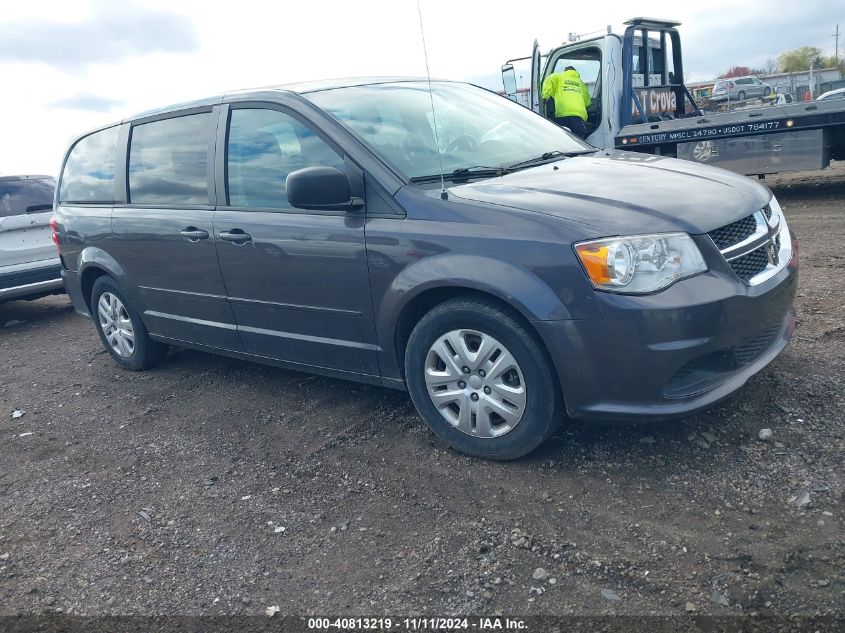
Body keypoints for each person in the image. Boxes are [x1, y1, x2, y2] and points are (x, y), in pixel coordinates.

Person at [541, 66, 591, 139]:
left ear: (565, 71)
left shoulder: (558, 76)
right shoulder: (581, 83)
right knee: (580, 141)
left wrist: (545, 96)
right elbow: (587, 102)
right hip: (578, 117)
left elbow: (549, 79)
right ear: (575, 72)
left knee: (563, 140)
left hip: (563, 114)